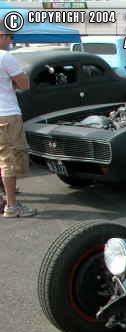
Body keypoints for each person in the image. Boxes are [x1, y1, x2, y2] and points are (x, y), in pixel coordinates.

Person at [0, 30, 35, 218]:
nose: (11, 41)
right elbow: (25, 84)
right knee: (9, 161)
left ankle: (4, 198)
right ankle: (12, 206)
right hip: (6, 115)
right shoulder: (5, 57)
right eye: (9, 37)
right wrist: (11, 82)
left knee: (1, 159)